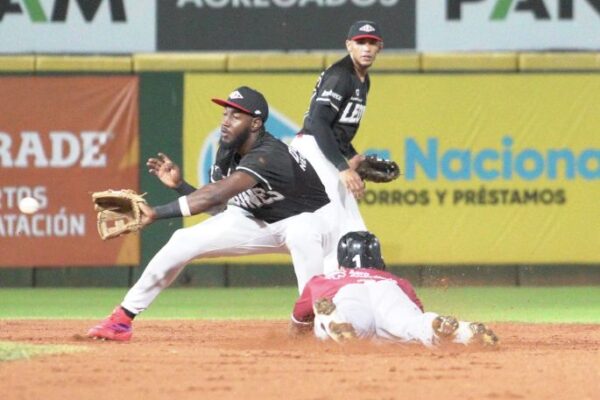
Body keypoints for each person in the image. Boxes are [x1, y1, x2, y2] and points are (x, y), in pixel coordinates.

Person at [87, 86, 337, 341]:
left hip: (318, 226)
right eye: (225, 114)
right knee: (182, 240)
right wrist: (181, 187)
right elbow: (221, 207)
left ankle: (314, 322)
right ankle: (121, 320)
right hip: (261, 221)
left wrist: (155, 213)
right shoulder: (227, 149)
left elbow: (215, 195)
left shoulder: (269, 154)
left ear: (255, 123)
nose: (226, 121)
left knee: (302, 230)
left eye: (235, 116)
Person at [290, 231, 499, 347]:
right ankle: (462, 331)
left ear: (341, 259)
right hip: (388, 291)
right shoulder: (398, 281)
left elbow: (299, 321)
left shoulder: (324, 280)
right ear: (379, 258)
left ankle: (335, 319)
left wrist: (296, 338)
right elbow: (417, 310)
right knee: (412, 325)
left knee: (343, 325)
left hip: (347, 294)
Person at [291, 20, 384, 272]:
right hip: (312, 148)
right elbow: (319, 123)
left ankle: (360, 279)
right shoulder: (340, 75)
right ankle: (331, 284)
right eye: (360, 42)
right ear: (349, 45)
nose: (366, 48)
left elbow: (336, 131)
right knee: (335, 224)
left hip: (323, 148)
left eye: (372, 43)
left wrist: (353, 156)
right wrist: (342, 167)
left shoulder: (363, 80)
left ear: (380, 47)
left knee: (352, 224)